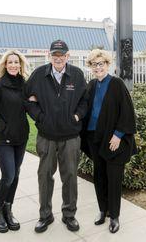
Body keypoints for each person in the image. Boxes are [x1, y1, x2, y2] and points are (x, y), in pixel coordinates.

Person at [25, 40, 88, 233]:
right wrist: (40, 117)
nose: (58, 58)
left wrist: (76, 116)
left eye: (62, 55)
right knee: (44, 175)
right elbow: (27, 99)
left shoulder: (76, 75)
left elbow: (85, 101)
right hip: (47, 136)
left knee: (69, 175)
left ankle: (69, 215)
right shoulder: (38, 75)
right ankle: (45, 215)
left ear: (68, 56)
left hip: (70, 136)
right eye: (55, 55)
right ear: (49, 55)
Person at [81, 49, 137, 234]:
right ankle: (102, 210)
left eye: (101, 64)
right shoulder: (90, 85)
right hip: (93, 137)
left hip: (112, 139)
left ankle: (114, 216)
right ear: (90, 67)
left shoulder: (116, 84)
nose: (98, 67)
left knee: (113, 179)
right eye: (94, 64)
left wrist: (118, 134)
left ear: (107, 64)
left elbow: (127, 111)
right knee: (99, 176)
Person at [0, 50, 30, 233]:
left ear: (20, 65)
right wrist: (4, 127)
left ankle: (8, 209)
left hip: (21, 138)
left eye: (16, 62)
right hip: (3, 139)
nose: (13, 65)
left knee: (16, 175)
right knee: (8, 176)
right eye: (10, 62)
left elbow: (30, 105)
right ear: (4, 65)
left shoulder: (24, 85)